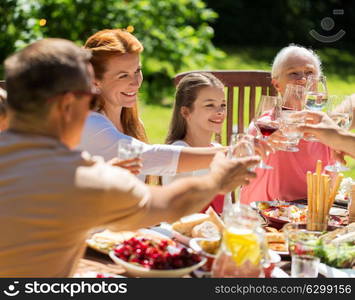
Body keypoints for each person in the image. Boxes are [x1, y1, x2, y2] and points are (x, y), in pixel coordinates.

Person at [0, 38, 259, 277]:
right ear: (67, 105)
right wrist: (216, 180)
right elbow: (167, 204)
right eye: (88, 97)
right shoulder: (78, 178)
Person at [78, 29, 228, 182]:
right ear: (95, 80)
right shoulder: (91, 124)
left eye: (137, 71)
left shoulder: (132, 124)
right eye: (123, 75)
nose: (136, 82)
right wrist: (232, 153)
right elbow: (153, 157)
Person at [240, 45, 333, 205]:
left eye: (309, 73)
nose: (303, 79)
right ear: (277, 85)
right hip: (264, 213)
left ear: (318, 81)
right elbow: (250, 143)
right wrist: (263, 138)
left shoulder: (324, 125)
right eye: (293, 73)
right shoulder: (268, 122)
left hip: (311, 212)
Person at [162, 72, 226, 213]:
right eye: (210, 105)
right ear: (186, 112)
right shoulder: (179, 151)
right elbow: (179, 213)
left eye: (223, 104)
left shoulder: (218, 149)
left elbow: (225, 209)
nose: (220, 111)